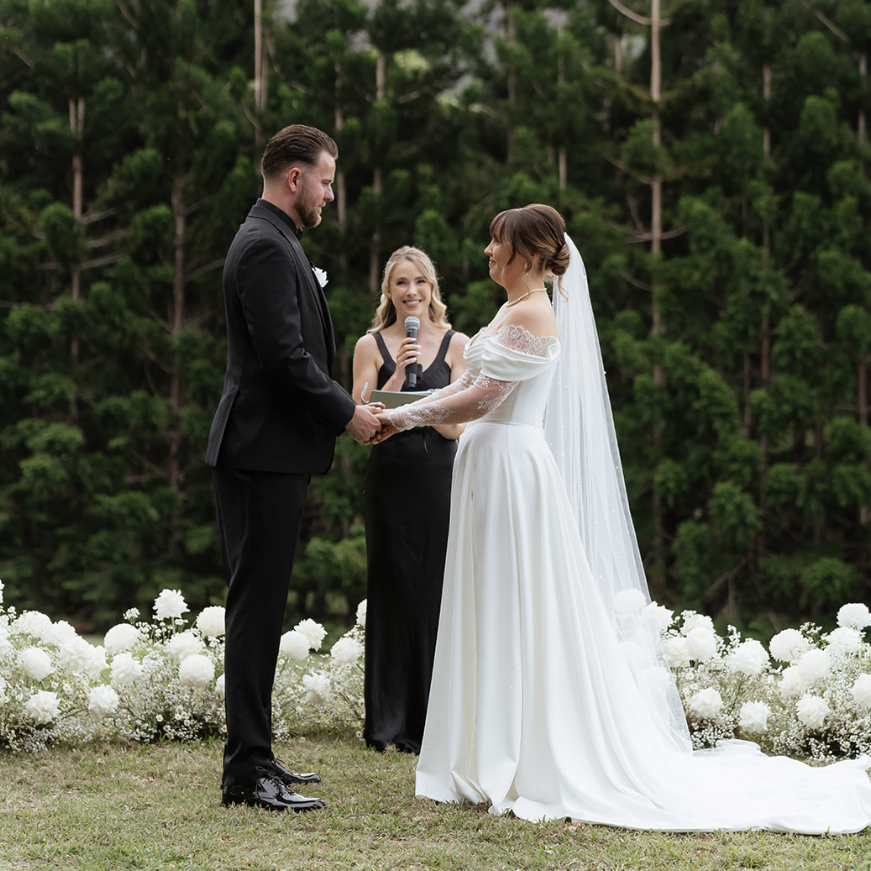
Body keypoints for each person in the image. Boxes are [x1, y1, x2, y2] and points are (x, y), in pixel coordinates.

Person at [373, 204, 871, 832]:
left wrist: (399, 417)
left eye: (496, 244)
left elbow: (479, 399)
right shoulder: (508, 308)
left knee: (513, 601)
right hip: (485, 469)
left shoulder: (534, 313)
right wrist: (403, 408)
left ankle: (520, 750)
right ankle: (486, 746)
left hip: (511, 474)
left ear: (527, 255)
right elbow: (461, 391)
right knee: (486, 600)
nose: (486, 253)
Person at [206, 124, 382, 812]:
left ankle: (258, 752)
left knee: (263, 603)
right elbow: (284, 358)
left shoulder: (276, 240)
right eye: (328, 180)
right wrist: (348, 413)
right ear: (294, 178)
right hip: (258, 454)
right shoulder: (263, 247)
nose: (331, 194)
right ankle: (246, 772)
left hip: (268, 453)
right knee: (254, 607)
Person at [352, 246, 469, 753]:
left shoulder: (457, 343)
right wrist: (399, 376)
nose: (411, 292)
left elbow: (457, 426)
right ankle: (387, 724)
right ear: (388, 292)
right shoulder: (370, 345)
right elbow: (364, 416)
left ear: (432, 288)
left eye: (419, 281)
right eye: (401, 283)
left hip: (441, 480)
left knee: (437, 592)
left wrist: (423, 405)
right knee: (392, 591)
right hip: (391, 481)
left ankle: (434, 723)